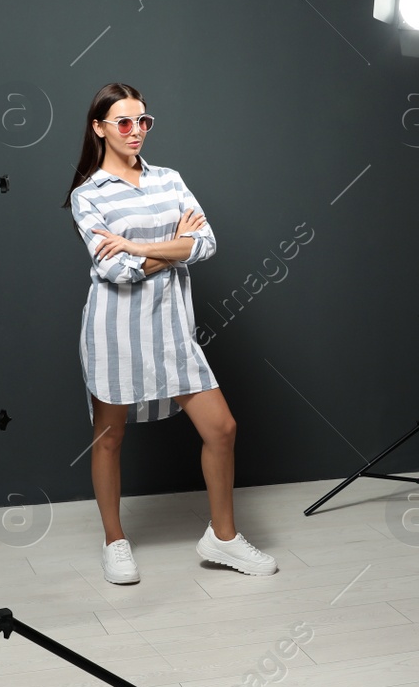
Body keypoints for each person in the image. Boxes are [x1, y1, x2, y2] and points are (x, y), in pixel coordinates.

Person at [63, 82, 276, 584]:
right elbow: (115, 272)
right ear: (99, 128)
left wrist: (141, 247)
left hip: (173, 330)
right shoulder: (86, 195)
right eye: (123, 122)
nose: (135, 131)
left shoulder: (169, 179)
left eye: (143, 121)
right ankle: (115, 541)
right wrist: (174, 244)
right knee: (109, 438)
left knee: (221, 428)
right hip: (115, 330)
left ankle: (222, 539)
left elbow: (207, 243)